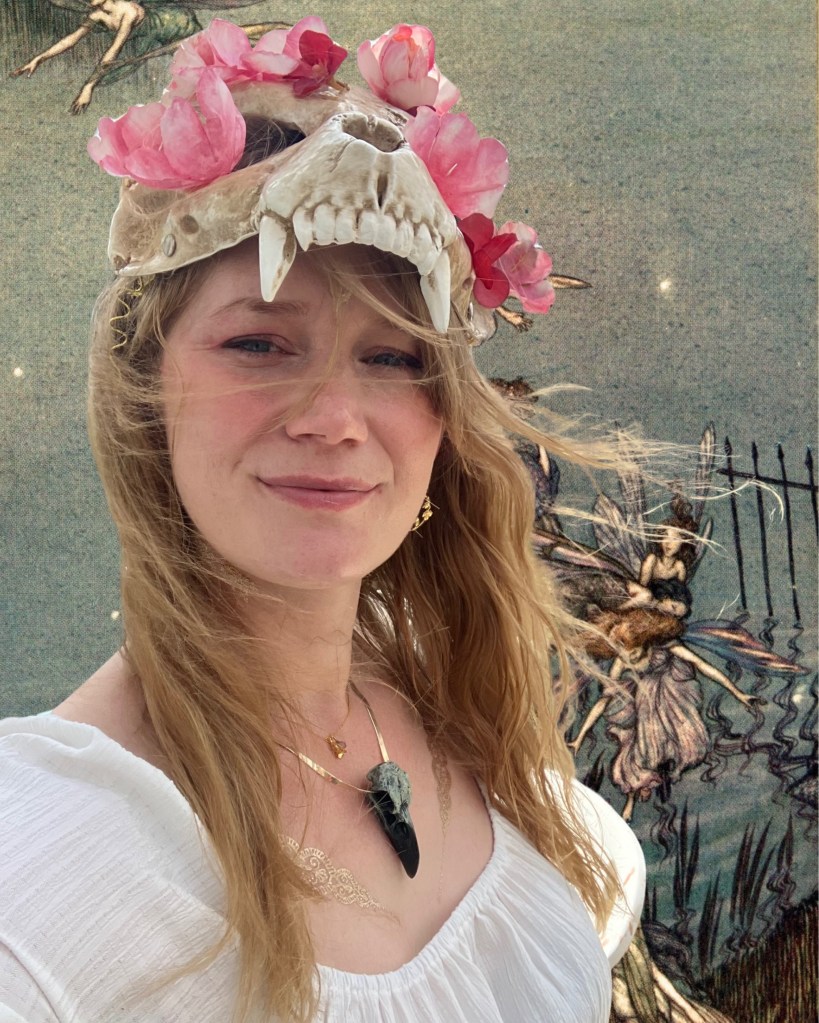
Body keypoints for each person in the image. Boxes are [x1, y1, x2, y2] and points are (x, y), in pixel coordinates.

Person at [0, 18, 644, 1023]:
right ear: (146, 390)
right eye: (259, 344)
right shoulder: (37, 879)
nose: (335, 418)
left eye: (392, 358)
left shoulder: (448, 696)